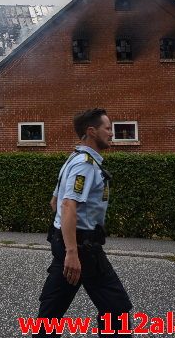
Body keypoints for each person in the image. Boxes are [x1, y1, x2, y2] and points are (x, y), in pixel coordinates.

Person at [35, 108, 132, 337]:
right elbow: (68, 205)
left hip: (69, 243)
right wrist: (72, 252)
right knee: (116, 311)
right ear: (91, 131)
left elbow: (54, 202)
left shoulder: (73, 159)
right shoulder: (85, 165)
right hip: (82, 247)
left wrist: (66, 247)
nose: (112, 134)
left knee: (51, 312)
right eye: (107, 128)